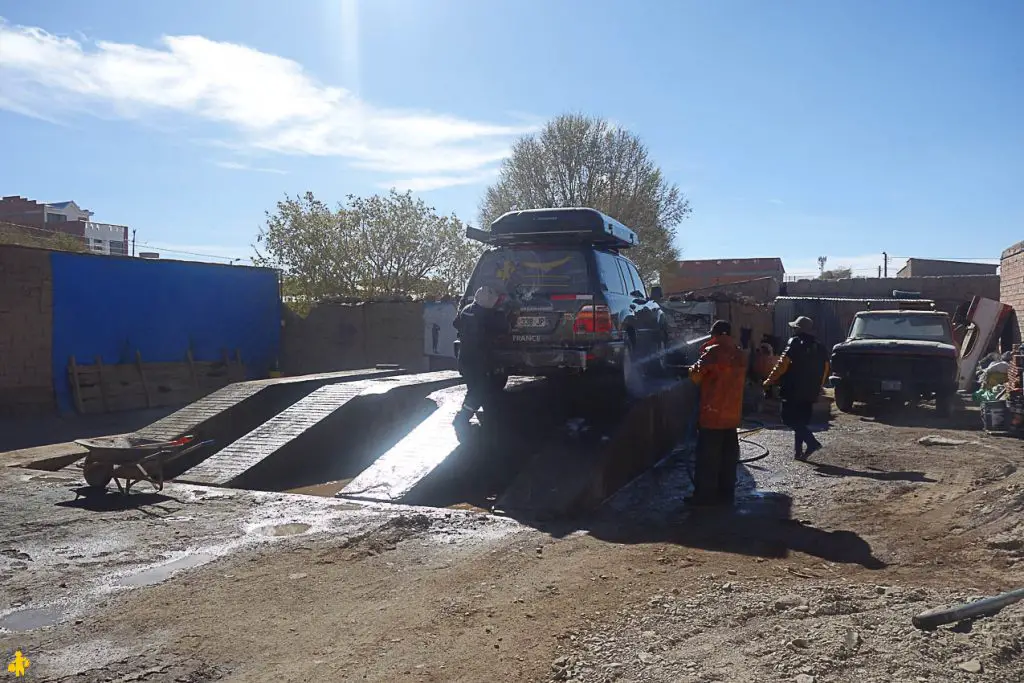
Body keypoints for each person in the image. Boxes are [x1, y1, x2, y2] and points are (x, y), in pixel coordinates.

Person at [686, 320, 747, 506]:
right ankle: (726, 494)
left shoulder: (712, 352)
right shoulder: (739, 353)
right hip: (732, 416)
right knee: (728, 459)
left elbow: (696, 376)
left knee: (707, 460)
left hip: (712, 416)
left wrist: (691, 369)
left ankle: (703, 497)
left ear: (715, 334)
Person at [764, 316, 830, 461]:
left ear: (798, 329)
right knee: (801, 421)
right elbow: (825, 368)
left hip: (792, 390)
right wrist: (818, 386)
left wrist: (769, 381)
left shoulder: (793, 343)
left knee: (789, 419)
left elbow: (782, 365)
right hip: (810, 392)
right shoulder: (819, 346)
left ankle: (812, 443)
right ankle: (798, 453)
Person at [452, 286, 509, 433]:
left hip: (464, 358)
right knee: (479, 390)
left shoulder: (467, 310)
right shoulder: (487, 315)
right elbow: (503, 328)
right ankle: (462, 418)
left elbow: (456, 324)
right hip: (479, 360)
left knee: (475, 388)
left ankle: (488, 419)